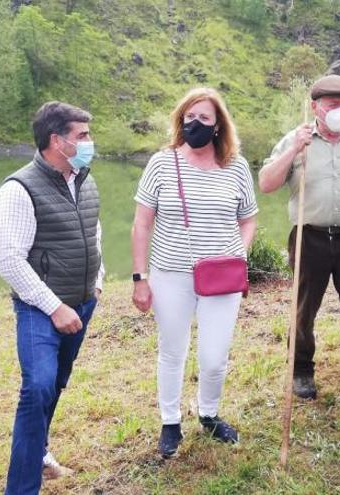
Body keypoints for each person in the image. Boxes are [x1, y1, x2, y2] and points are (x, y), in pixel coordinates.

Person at [131, 87, 258, 458]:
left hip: (222, 277)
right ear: (180, 120)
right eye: (189, 117)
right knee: (172, 351)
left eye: (204, 118)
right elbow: (141, 224)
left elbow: (248, 218)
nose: (195, 124)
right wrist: (140, 278)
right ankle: (170, 422)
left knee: (215, 356)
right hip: (171, 273)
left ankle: (209, 413)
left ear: (218, 125)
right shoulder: (162, 162)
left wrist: (239, 253)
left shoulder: (236, 166)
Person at [259, 75, 340, 406]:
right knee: (304, 310)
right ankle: (301, 370)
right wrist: (293, 151)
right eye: (334, 105)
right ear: (315, 107)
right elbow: (266, 183)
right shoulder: (295, 140)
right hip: (309, 238)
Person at [0, 101, 104, 494]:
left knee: (55, 382)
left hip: (82, 302)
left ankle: (38, 451)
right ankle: (21, 488)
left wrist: (99, 280)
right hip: (40, 308)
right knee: (38, 385)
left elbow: (94, 232)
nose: (90, 142)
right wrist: (54, 307)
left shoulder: (84, 179)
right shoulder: (19, 188)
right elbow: (9, 261)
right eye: (83, 136)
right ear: (57, 141)